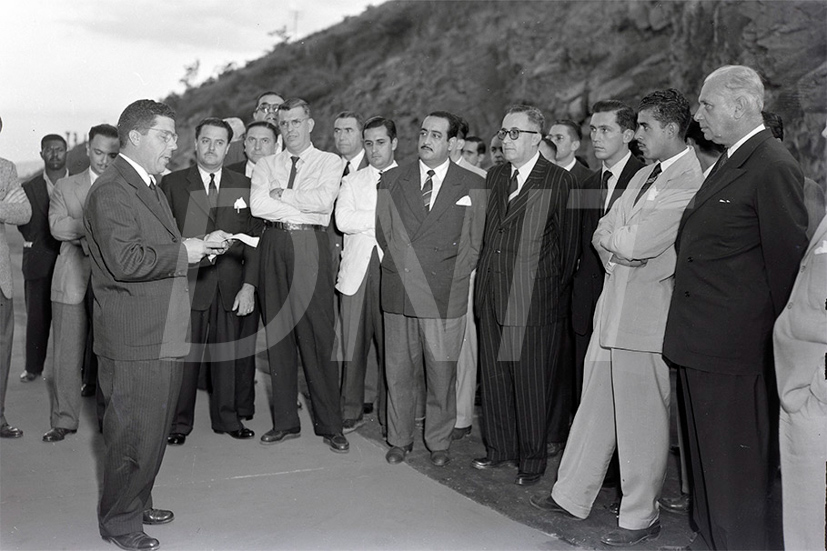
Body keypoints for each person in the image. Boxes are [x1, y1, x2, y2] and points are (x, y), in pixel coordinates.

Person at [533, 89, 704, 548]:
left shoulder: (691, 178)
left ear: (671, 128)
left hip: (646, 319)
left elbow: (639, 242)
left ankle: (640, 516)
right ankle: (571, 494)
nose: (638, 137)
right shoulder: (645, 173)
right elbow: (603, 231)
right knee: (594, 410)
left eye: (644, 128)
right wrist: (617, 246)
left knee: (641, 423)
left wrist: (619, 244)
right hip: (613, 309)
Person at [663, 65, 808, 550]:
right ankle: (711, 538)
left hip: (736, 352)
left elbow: (786, 267)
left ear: (742, 106)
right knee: (708, 465)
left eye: (707, 105)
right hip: (701, 343)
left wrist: (776, 356)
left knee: (736, 472)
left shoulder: (772, 165)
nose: (698, 115)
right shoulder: (731, 159)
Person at [84, 99, 222, 551]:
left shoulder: (147, 185)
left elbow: (153, 247)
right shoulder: (112, 190)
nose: (175, 145)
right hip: (134, 336)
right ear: (136, 138)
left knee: (153, 427)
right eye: (165, 135)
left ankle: (138, 501)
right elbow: (126, 261)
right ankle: (119, 522)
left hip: (158, 330)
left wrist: (194, 246)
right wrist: (188, 252)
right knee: (132, 432)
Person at [473, 105, 580, 486]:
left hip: (532, 300)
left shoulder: (558, 180)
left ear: (537, 138)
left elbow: (568, 251)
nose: (506, 140)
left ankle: (532, 461)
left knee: (531, 383)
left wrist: (544, 293)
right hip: (492, 294)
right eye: (504, 132)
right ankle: (499, 449)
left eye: (515, 133)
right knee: (496, 378)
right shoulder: (494, 176)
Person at [376, 111, 486, 467]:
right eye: (424, 133)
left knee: (442, 374)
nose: (427, 140)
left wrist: (450, 279)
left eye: (436, 135)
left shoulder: (473, 184)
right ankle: (399, 438)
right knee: (398, 371)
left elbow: (473, 245)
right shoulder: (392, 180)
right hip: (400, 289)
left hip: (444, 293)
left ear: (453, 143)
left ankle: (439, 442)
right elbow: (385, 234)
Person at [250, 98, 349, 453]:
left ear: (310, 123)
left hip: (311, 243)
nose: (290, 128)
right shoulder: (266, 163)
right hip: (274, 242)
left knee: (318, 334)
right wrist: (296, 201)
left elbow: (324, 203)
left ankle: (330, 425)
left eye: (296, 121)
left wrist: (284, 193)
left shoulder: (330, 161)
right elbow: (259, 206)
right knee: (278, 334)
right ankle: (285, 423)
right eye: (285, 123)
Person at [161, 117, 261, 446]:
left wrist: (249, 286)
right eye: (206, 141)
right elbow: (165, 236)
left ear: (228, 147)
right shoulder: (173, 184)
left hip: (230, 286)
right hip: (188, 284)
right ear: (195, 142)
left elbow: (254, 243)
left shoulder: (243, 185)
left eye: (219, 142)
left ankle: (227, 418)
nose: (212, 148)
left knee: (229, 357)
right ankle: (178, 423)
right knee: (185, 359)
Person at [44, 124, 119, 443]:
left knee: (111, 355)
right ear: (88, 150)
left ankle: (110, 422)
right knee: (66, 353)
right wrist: (96, 227)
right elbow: (57, 228)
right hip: (71, 277)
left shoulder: (123, 186)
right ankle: (64, 419)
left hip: (112, 280)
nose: (104, 160)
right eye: (98, 152)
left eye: (111, 155)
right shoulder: (66, 185)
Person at [772, 134, 826, 548]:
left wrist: (819, 385)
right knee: (805, 514)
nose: (823, 137)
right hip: (800, 386)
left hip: (816, 390)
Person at [335, 116, 398, 432]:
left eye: (381, 142)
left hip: (393, 272)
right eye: (369, 143)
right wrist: (382, 217)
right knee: (352, 347)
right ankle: (350, 409)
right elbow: (343, 220)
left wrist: (371, 219)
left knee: (393, 349)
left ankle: (391, 416)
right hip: (357, 273)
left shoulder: (409, 181)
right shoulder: (352, 181)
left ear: (394, 143)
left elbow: (406, 226)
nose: (374, 150)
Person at [17, 134, 66, 383]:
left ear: (66, 153)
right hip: (38, 260)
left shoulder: (78, 184)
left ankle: (73, 372)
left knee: (72, 321)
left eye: (59, 149)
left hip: (71, 260)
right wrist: (38, 240)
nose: (55, 154)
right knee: (36, 317)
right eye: (49, 150)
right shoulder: (29, 187)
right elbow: (22, 223)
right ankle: (33, 368)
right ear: (42, 154)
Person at [0, 125, 31, 438]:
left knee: (1, 351)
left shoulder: (5, 169)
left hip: (0, 282)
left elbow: (23, 211)